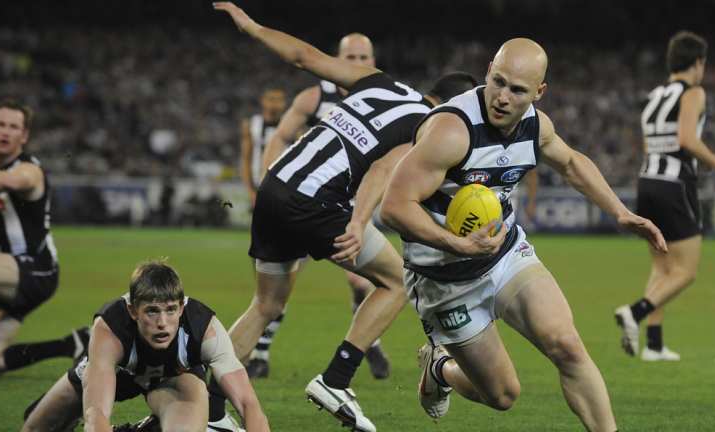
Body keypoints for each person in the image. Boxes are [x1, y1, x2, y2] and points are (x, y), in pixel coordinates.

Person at [380, 38, 667, 432]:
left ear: (538, 92)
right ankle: (440, 369)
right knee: (501, 395)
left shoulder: (535, 124)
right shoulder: (452, 130)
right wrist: (457, 243)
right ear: (487, 73)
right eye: (498, 82)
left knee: (566, 344)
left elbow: (570, 163)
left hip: (504, 256)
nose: (502, 97)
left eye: (517, 90)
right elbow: (394, 206)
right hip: (443, 278)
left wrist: (620, 212)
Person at [214, 3, 476, 431]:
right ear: (457, 105)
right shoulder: (429, 125)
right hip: (314, 201)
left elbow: (305, 57)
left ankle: (208, 409)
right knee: (395, 281)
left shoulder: (379, 83)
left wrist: (254, 27)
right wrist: (357, 223)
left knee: (266, 305)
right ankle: (336, 379)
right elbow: (382, 168)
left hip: (275, 187)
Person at [246, 33, 390, 381]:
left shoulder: (382, 99)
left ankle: (367, 343)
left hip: (349, 208)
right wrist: (272, 177)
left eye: (363, 57)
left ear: (373, 61)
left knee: (363, 281)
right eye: (350, 57)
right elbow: (280, 136)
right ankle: (260, 354)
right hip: (304, 202)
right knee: (280, 286)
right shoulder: (314, 97)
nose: (357, 64)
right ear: (336, 59)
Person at [21, 260, 269, 432]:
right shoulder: (110, 328)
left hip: (174, 379)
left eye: (171, 310)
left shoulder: (204, 328)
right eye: (152, 311)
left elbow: (248, 404)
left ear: (181, 308)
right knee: (35, 427)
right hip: (119, 374)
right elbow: (96, 413)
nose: (163, 323)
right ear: (132, 310)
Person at [615, 31, 715, 361]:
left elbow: (650, 145)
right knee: (686, 271)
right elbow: (687, 139)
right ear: (698, 63)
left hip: (647, 181)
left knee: (662, 267)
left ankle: (653, 343)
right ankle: (634, 313)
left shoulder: (655, 95)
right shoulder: (693, 92)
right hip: (675, 185)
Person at [0, 100, 89, 379]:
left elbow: (10, 181)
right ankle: (71, 343)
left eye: (14, 127)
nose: (6, 132)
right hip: (7, 274)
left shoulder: (29, 169)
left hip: (37, 269)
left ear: (24, 136)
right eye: (1, 125)